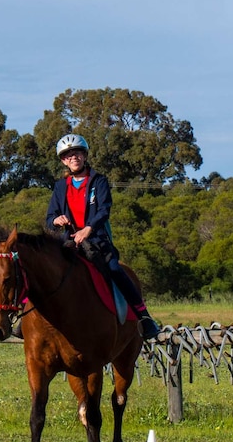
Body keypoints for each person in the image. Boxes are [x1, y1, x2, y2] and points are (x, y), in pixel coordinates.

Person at [43, 133, 161, 340]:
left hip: (96, 239)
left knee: (115, 269)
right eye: (68, 155)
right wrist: (56, 220)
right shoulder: (60, 186)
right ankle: (27, 317)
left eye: (77, 153)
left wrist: (87, 229)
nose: (73, 158)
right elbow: (49, 217)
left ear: (85, 155)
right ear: (63, 160)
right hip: (68, 241)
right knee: (44, 268)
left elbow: (104, 210)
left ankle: (144, 316)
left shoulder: (99, 181)